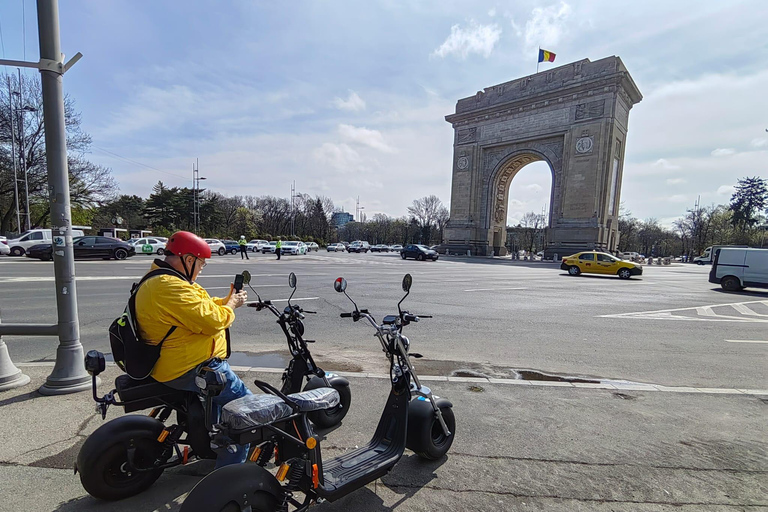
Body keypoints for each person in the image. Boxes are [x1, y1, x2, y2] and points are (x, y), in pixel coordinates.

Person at [134, 231, 250, 468]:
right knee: (247, 411)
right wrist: (231, 306)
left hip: (178, 363)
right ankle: (230, 478)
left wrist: (227, 300)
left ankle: (213, 443)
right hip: (191, 367)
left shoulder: (164, 278)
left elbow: (199, 308)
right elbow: (212, 321)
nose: (201, 269)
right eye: (201, 264)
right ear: (189, 260)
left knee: (221, 405)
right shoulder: (169, 286)